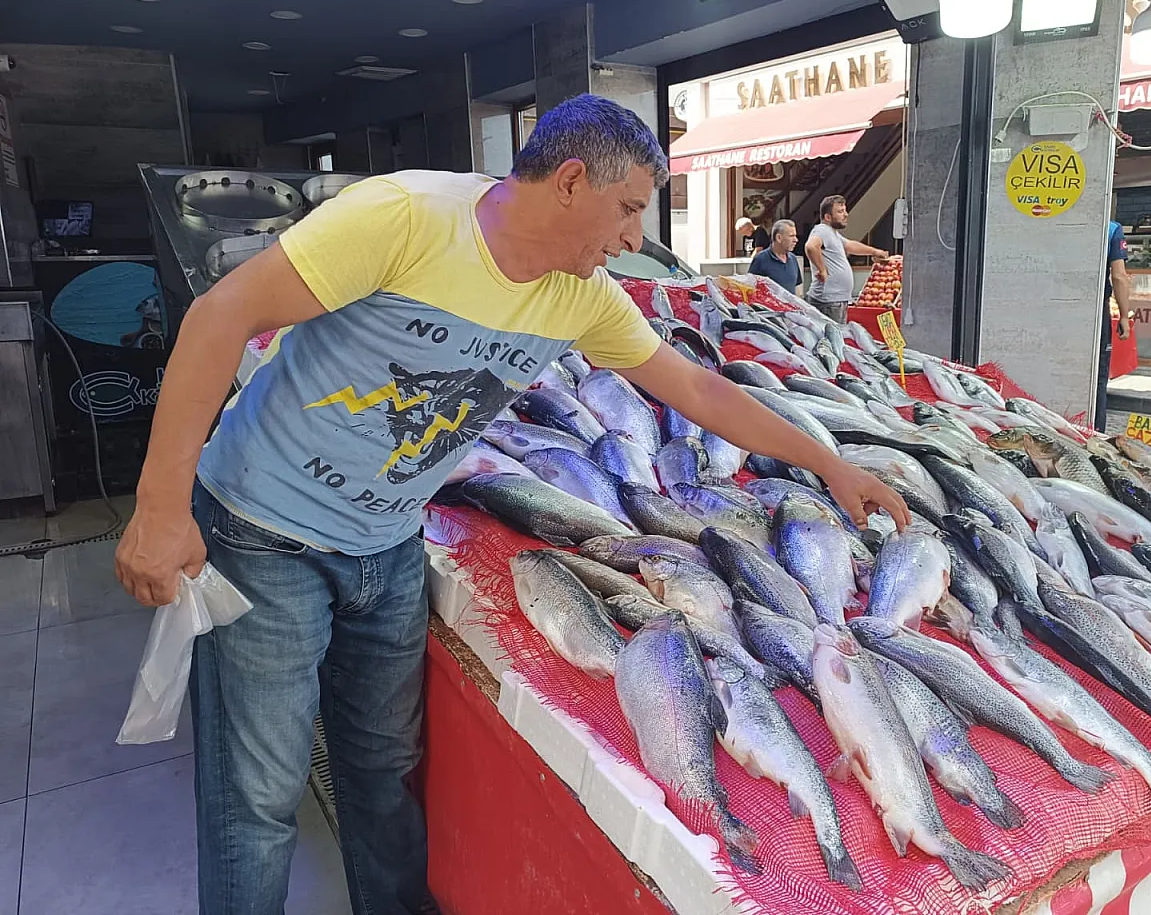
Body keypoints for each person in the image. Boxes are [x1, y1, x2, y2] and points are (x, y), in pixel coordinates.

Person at [113, 94, 909, 915]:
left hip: (387, 544)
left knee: (381, 768)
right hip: (263, 528)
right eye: (630, 209)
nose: (636, 238)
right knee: (262, 791)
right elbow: (221, 315)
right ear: (571, 181)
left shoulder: (583, 295)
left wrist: (827, 460)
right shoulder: (406, 219)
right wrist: (160, 507)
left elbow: (699, 387)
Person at [804, 194, 889, 322]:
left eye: (845, 210)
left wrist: (875, 251)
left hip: (835, 301)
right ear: (827, 217)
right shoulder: (822, 230)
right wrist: (822, 269)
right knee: (833, 338)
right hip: (828, 301)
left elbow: (850, 246)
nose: (846, 214)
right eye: (840, 211)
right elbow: (810, 246)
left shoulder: (833, 234)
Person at [1094, 220, 1134, 432]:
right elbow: (1118, 275)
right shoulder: (1111, 228)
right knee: (1098, 374)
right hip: (1095, 309)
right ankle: (1095, 433)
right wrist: (1124, 316)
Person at [747, 218, 801, 295]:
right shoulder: (761, 259)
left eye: (795, 236)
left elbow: (797, 288)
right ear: (779, 238)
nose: (796, 240)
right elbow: (750, 289)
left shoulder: (793, 259)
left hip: (791, 306)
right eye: (791, 236)